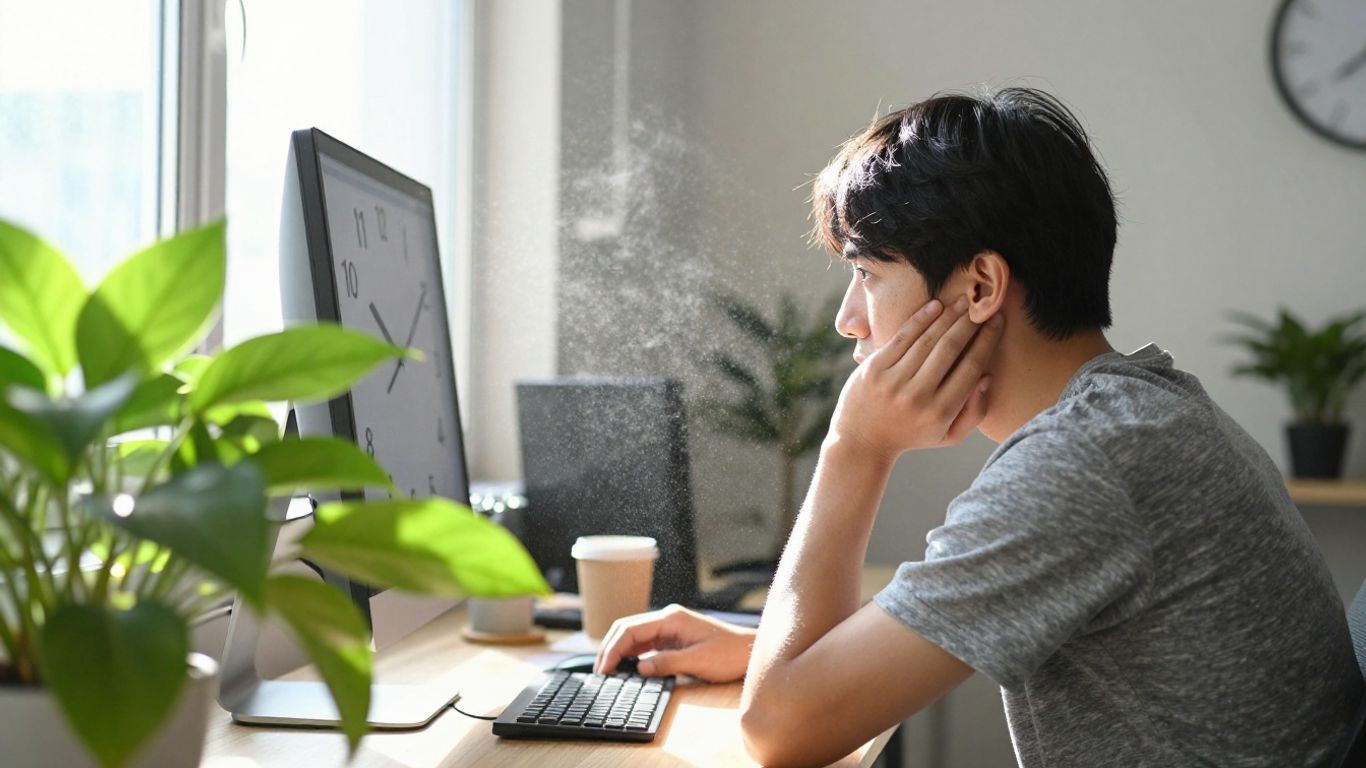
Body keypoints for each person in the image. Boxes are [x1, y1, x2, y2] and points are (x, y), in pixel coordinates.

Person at [593, 87, 1363, 767]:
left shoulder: (1085, 463)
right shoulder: (1147, 411)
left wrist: (853, 448)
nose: (847, 321)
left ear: (981, 286)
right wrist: (760, 650)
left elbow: (778, 733)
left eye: (867, 275)